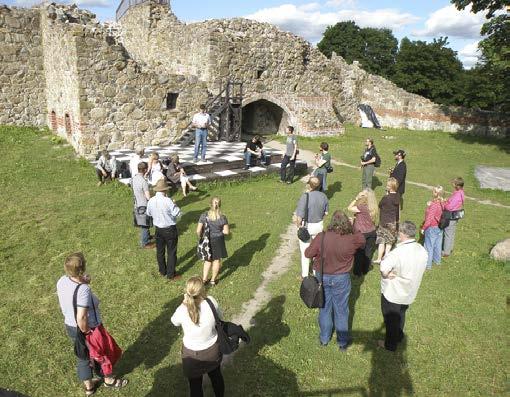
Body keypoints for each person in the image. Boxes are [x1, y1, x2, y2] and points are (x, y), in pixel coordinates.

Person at [56, 253, 128, 396]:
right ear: (82, 269)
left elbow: (72, 291)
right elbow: (81, 316)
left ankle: (89, 388)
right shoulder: (83, 290)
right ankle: (109, 381)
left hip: (71, 327)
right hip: (88, 328)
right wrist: (89, 332)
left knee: (83, 356)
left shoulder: (62, 280)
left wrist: (83, 281)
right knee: (101, 352)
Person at [304, 211, 365, 350]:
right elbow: (362, 239)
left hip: (322, 277)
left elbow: (308, 253)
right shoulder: (352, 239)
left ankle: (324, 339)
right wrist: (353, 225)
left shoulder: (322, 237)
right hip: (341, 278)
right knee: (342, 310)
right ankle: (342, 343)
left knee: (324, 308)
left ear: (331, 222)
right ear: (346, 223)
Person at [171, 277, 225, 397]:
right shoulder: (211, 301)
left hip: (191, 355)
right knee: (216, 377)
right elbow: (220, 319)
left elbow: (174, 321)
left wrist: (183, 303)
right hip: (212, 350)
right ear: (202, 290)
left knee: (195, 385)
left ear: (187, 292)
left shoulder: (182, 310)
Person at [378, 221, 427, 351]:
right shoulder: (422, 249)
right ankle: (398, 336)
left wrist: (387, 275)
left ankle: (390, 344)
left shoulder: (397, 252)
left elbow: (383, 268)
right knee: (401, 314)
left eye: (399, 232)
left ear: (403, 234)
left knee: (391, 319)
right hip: (410, 290)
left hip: (394, 292)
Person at [146, 179, 182, 280]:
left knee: (160, 251)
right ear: (165, 190)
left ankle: (162, 270)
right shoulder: (168, 201)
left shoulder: (151, 200)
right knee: (171, 252)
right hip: (169, 229)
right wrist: (175, 205)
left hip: (158, 229)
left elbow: (148, 213)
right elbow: (178, 214)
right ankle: (171, 274)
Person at [294, 177, 329, 278]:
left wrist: (298, 226)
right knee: (317, 251)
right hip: (319, 226)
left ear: (309, 185)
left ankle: (305, 275)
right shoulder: (324, 196)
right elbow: (326, 213)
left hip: (307, 227)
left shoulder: (305, 196)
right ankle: (315, 273)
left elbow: (299, 217)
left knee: (305, 251)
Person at [196, 197, 229, 286]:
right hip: (218, 241)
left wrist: (201, 238)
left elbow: (198, 230)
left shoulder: (204, 215)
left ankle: (204, 280)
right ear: (220, 205)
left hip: (207, 241)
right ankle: (213, 280)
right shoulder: (223, 217)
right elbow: (226, 232)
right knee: (216, 260)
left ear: (210, 204)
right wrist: (219, 231)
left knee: (208, 260)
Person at [347, 189, 379, 274]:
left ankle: (357, 272)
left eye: (362, 195)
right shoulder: (373, 206)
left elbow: (349, 208)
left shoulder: (361, 207)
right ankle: (365, 270)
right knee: (368, 252)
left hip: (362, 233)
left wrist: (356, 198)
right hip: (371, 232)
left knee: (359, 253)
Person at [374, 178, 400, 264]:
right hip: (392, 222)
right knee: (389, 242)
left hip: (384, 221)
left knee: (381, 241)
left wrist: (386, 195)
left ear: (391, 187)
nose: (386, 186)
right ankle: (386, 257)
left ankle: (379, 258)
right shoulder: (398, 196)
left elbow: (380, 205)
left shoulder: (386, 198)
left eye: (388, 185)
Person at [132, 161, 155, 249]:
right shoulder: (143, 181)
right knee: (145, 224)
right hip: (143, 205)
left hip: (137, 203)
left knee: (144, 223)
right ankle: (145, 243)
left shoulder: (134, 178)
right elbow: (148, 196)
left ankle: (148, 237)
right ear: (145, 170)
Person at [421, 186, 444, 269]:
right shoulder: (442, 203)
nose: (432, 192)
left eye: (433, 191)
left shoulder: (434, 205)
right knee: (438, 245)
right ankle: (437, 261)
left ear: (436, 193)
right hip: (440, 227)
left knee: (428, 246)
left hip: (432, 227)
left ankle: (428, 265)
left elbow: (430, 218)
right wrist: (429, 205)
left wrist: (424, 228)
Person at [442, 177, 465, 257]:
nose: (452, 183)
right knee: (452, 232)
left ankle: (446, 252)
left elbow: (449, 207)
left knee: (448, 233)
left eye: (453, 183)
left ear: (457, 185)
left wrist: (444, 204)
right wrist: (447, 200)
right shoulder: (460, 192)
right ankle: (450, 248)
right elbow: (452, 201)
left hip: (451, 215)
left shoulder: (458, 194)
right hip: (456, 215)